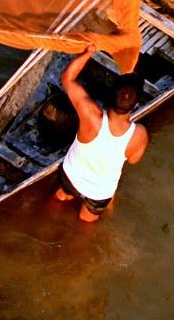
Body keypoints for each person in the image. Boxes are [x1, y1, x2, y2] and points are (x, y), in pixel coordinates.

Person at [54, 50, 149, 222]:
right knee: (86, 223)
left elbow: (68, 78)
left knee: (59, 200)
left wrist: (88, 51)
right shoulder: (139, 134)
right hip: (100, 192)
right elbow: (134, 160)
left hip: (71, 176)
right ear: (135, 105)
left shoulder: (91, 115)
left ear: (110, 96)